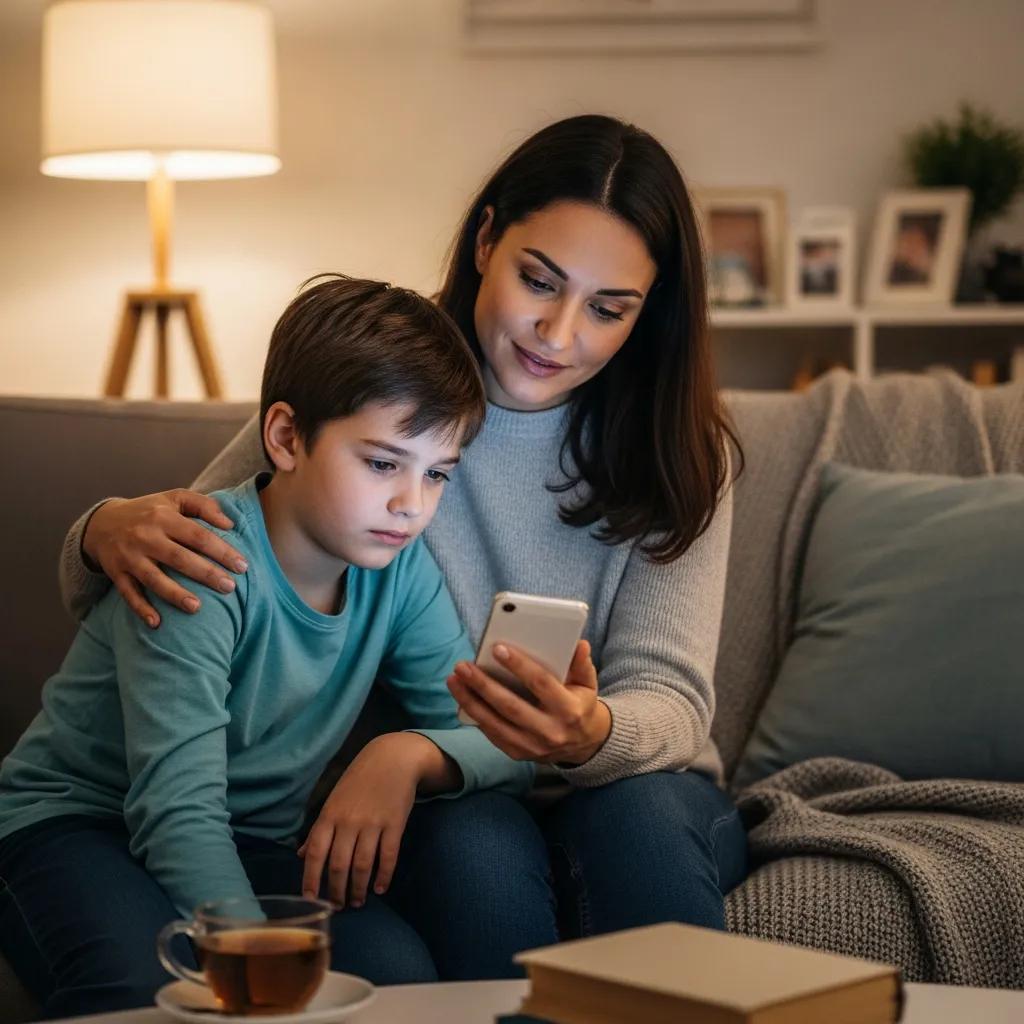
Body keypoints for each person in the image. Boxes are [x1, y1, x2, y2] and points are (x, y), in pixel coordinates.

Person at [56, 114, 748, 980]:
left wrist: (575, 734)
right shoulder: (384, 385)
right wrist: (101, 530)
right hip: (449, 794)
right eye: (540, 281)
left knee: (637, 832)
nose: (559, 334)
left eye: (609, 309)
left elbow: (676, 704)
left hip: (625, 780)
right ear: (488, 239)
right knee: (474, 857)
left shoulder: (679, 448)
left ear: (649, 315)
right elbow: (188, 564)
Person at [0, 276, 533, 1018]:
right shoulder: (202, 561)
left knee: (395, 974)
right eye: (383, 463)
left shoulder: (400, 569)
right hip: (80, 823)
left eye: (436, 473)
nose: (413, 504)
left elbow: (504, 739)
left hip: (253, 839)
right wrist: (255, 961)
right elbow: (173, 807)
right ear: (286, 438)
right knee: (139, 991)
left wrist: (413, 753)